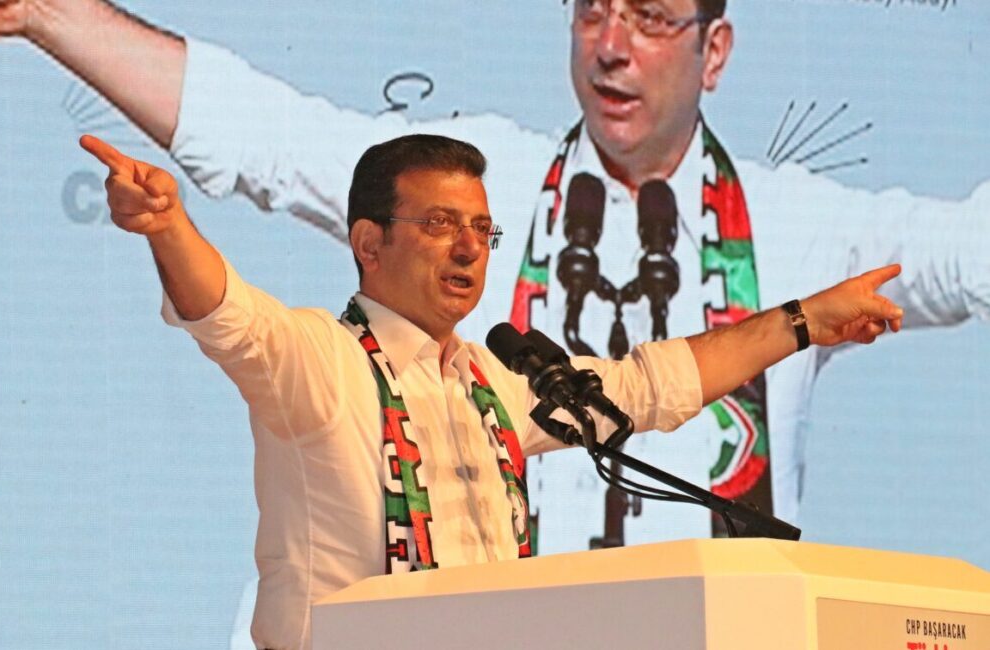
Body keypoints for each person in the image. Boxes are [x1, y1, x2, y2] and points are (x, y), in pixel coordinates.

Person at [0, 0, 990, 548]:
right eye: (590, 10)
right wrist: (54, 12)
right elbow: (266, 136)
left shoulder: (808, 226)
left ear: (714, 51)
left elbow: (964, 256)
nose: (610, 46)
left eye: (653, 18)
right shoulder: (473, 180)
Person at [80, 129, 902, 649]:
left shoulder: (495, 386)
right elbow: (228, 315)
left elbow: (649, 386)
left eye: (481, 228)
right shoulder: (319, 360)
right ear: (368, 243)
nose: (469, 249)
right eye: (439, 224)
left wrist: (805, 321)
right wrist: (168, 227)